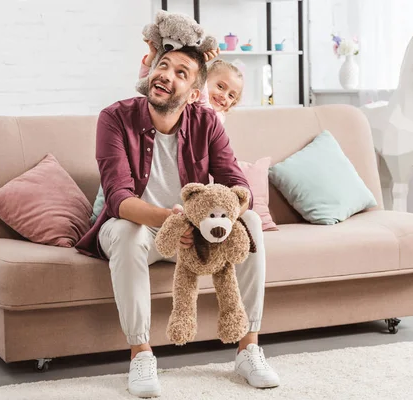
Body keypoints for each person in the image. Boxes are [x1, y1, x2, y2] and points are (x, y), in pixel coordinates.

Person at [75, 45, 279, 398]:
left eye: (181, 73)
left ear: (195, 94)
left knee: (250, 222)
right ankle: (140, 353)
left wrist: (223, 213)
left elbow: (236, 181)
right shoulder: (114, 117)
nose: (166, 75)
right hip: (138, 226)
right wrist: (175, 221)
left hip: (194, 231)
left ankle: (248, 349)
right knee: (125, 232)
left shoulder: (207, 122)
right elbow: (119, 199)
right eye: (163, 66)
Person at [139, 40, 244, 124]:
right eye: (220, 87)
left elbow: (205, 106)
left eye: (231, 96)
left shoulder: (218, 117)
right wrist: (152, 55)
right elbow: (147, 85)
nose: (224, 96)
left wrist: (199, 65)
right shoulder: (183, 95)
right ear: (205, 81)